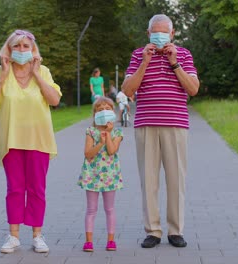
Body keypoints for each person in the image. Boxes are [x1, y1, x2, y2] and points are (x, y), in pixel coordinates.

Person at [0, 29, 62, 254]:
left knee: (37, 189)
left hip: (39, 140)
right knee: (15, 188)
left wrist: (36, 74)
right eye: (17, 46)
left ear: (34, 50)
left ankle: (37, 235)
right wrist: (4, 75)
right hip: (12, 140)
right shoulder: (1, 72)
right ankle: (13, 236)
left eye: (26, 46)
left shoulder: (43, 71)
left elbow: (54, 99)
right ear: (9, 50)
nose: (22, 50)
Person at [121, 14, 200, 248]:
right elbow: (127, 90)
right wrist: (145, 62)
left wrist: (174, 62)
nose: (160, 36)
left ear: (172, 34)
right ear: (148, 34)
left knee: (176, 180)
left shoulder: (184, 54)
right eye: (155, 32)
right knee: (149, 180)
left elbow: (193, 89)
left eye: (164, 32)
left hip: (176, 124)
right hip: (146, 124)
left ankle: (176, 230)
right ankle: (153, 230)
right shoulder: (138, 55)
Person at [77, 96, 124, 252]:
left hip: (110, 175)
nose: (104, 112)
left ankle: (111, 240)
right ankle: (88, 241)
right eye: (100, 109)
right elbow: (88, 153)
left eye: (108, 109)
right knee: (91, 209)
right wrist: (101, 142)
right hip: (92, 175)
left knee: (109, 209)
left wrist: (108, 134)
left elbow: (112, 151)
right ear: (95, 114)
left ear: (113, 111)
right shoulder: (91, 131)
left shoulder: (117, 132)